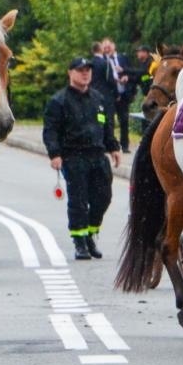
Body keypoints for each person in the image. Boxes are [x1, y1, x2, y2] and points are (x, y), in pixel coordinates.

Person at [44, 57, 122, 260]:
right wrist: (55, 154)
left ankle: (90, 234)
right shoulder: (59, 101)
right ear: (70, 73)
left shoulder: (98, 99)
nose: (85, 73)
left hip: (97, 155)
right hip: (74, 156)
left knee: (103, 198)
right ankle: (79, 242)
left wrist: (113, 147)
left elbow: (106, 125)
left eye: (88, 70)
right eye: (80, 70)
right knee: (78, 201)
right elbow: (51, 130)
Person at [100, 38, 136, 153]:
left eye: (108, 46)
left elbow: (133, 72)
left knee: (124, 121)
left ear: (114, 46)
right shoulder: (101, 61)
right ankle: (109, 145)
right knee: (108, 121)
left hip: (123, 94)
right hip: (110, 96)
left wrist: (127, 77)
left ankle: (124, 146)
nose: (107, 49)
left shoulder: (123, 58)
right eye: (104, 47)